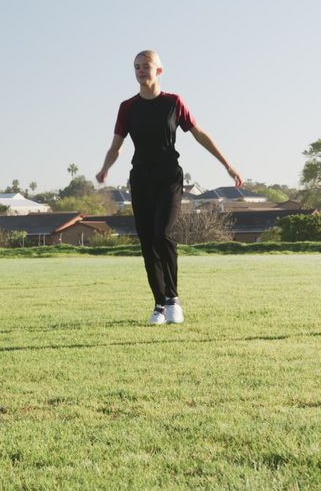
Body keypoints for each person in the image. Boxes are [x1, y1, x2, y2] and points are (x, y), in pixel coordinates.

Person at [97, 50, 243, 325]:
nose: (141, 70)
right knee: (147, 241)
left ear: (159, 71)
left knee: (162, 234)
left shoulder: (173, 103)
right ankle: (159, 305)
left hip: (169, 179)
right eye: (136, 67)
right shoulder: (127, 107)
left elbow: (199, 134)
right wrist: (105, 167)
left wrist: (228, 165)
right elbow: (115, 146)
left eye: (146, 66)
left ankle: (173, 298)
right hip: (141, 179)